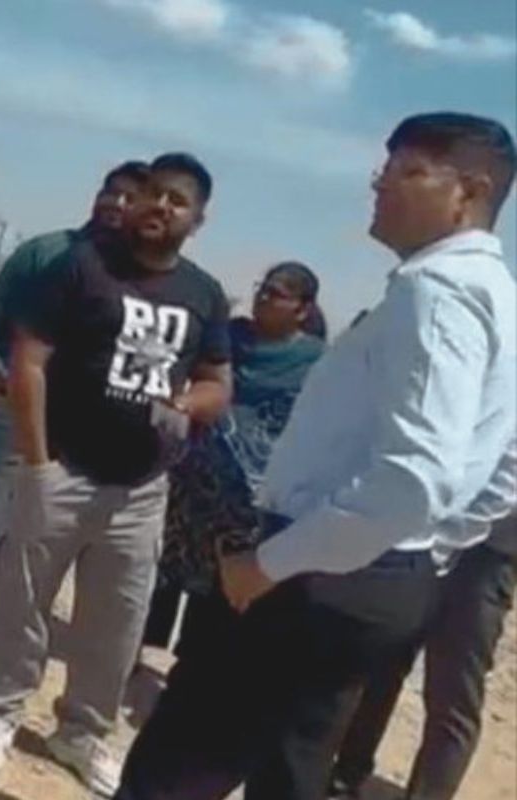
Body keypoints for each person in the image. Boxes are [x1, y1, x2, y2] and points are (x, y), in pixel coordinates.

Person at [115, 112, 517, 800]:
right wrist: (426, 553)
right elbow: (502, 466)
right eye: (385, 167)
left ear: (470, 192)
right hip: (373, 572)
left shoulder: (437, 295)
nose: (380, 184)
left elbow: (416, 478)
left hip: (315, 577)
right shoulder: (499, 299)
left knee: (179, 763)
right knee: (290, 763)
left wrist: (269, 564)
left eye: (408, 171)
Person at [0, 153, 233, 796]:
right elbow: (29, 364)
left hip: (141, 489)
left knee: (117, 623)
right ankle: (0, 714)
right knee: (22, 600)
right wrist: (37, 462)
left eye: (178, 200)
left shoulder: (204, 295)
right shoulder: (82, 267)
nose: (161, 206)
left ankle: (80, 733)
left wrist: (187, 403)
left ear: (197, 220)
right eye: (154, 193)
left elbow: (218, 383)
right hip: (63, 468)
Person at [0, 161, 151, 676]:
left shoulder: (134, 280)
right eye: (112, 191)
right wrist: (6, 378)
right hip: (12, 410)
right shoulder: (45, 253)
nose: (117, 203)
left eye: (131, 198)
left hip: (74, 427)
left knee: (28, 530)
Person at [141, 262, 327, 658]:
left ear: (302, 309)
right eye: (263, 288)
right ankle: (141, 645)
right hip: (192, 470)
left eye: (276, 293)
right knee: (165, 558)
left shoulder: (316, 361)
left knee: (219, 573)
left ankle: (190, 658)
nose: (264, 297)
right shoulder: (229, 337)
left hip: (249, 491)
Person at [329, 507, 516, 800]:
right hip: (429, 535)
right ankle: (344, 775)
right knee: (382, 663)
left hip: (487, 559)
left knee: (452, 696)